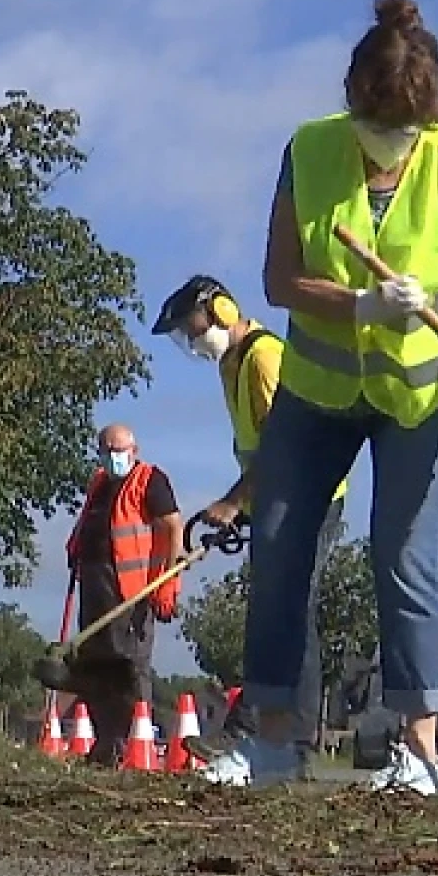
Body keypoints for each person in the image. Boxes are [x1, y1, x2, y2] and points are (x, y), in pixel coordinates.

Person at [193, 0, 438, 793]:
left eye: (400, 133)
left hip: (423, 399)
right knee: (279, 545)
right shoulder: (309, 152)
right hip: (318, 391)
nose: (385, 147)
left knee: (405, 559)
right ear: (350, 103)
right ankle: (274, 742)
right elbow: (278, 279)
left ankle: (420, 753)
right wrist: (361, 303)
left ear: (426, 118)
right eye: (374, 129)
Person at [151, 274, 347, 776]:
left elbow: (283, 445)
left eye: (192, 328)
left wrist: (231, 502)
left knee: (290, 609)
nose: (192, 341)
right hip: (275, 497)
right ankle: (257, 732)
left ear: (219, 309)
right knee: (272, 609)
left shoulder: (263, 358)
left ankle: (289, 741)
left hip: (311, 497)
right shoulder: (230, 366)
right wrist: (243, 504)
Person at [62, 423, 186, 766]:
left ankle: (137, 744)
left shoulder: (150, 480)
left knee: (129, 666)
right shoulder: (99, 483)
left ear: (134, 449)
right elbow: (91, 521)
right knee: (96, 665)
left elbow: (173, 527)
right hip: (95, 586)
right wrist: (76, 546)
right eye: (107, 450)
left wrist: (167, 584)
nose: (114, 456)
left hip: (132, 593)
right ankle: (106, 745)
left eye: (120, 450)